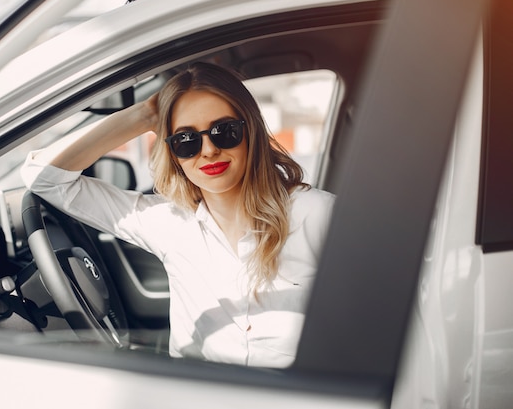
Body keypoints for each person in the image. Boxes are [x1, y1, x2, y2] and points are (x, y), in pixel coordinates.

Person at [21, 62, 335, 368]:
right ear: (172, 151)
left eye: (224, 131)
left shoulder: (320, 214)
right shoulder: (168, 223)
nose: (209, 150)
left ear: (250, 131)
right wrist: (143, 116)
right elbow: (43, 177)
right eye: (186, 140)